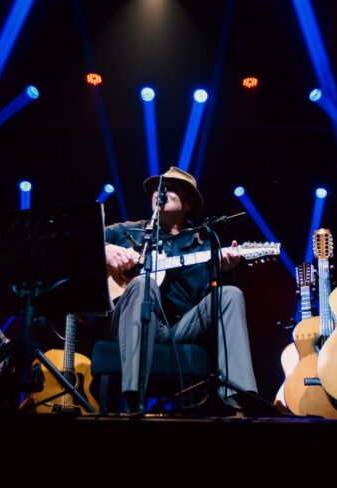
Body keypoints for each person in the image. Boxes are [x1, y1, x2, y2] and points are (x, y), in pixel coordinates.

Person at [104, 167, 259, 413]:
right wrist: (105, 250)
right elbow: (83, 243)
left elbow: (207, 303)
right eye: (157, 188)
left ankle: (238, 399)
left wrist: (224, 269)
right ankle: (135, 400)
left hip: (179, 328)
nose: (160, 192)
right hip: (129, 323)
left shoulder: (204, 244)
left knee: (231, 294)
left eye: (170, 189)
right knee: (145, 284)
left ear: (188, 203)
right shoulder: (126, 231)